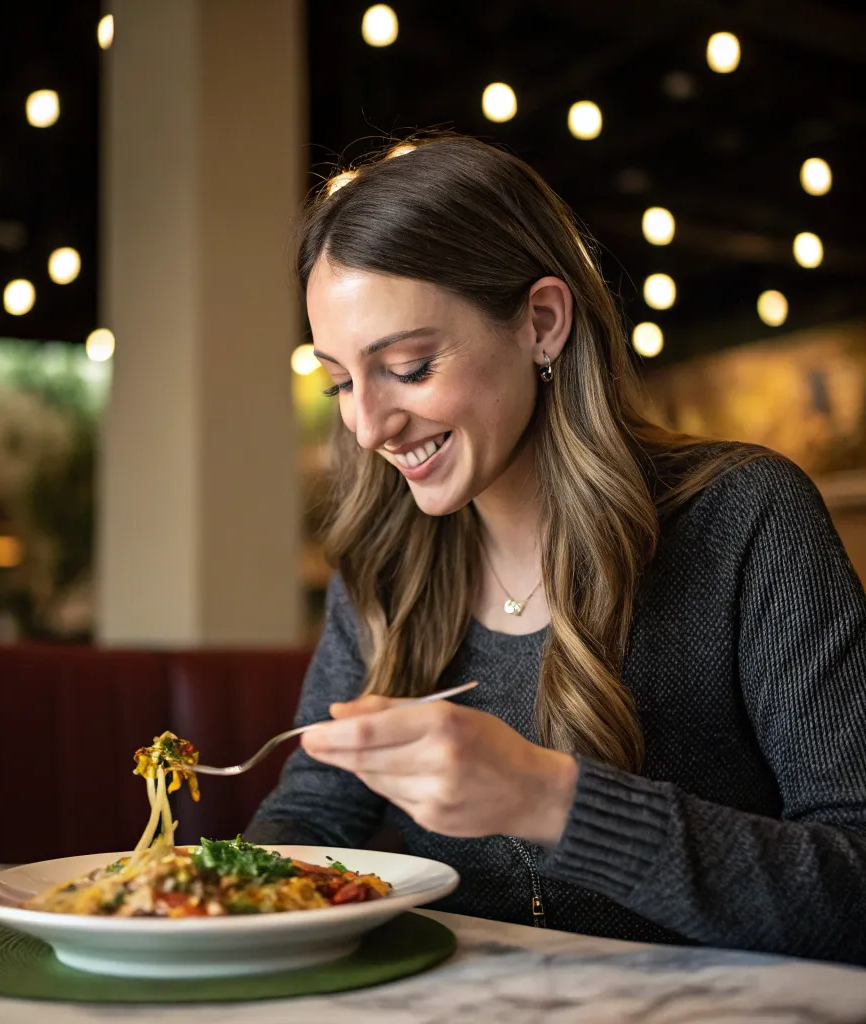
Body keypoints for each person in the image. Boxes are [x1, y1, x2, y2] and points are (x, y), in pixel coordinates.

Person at [245, 134, 866, 965]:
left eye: (410, 365)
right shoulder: (385, 560)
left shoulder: (745, 520)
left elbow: (855, 888)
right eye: (342, 382)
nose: (367, 426)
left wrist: (553, 800)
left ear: (542, 322)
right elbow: (315, 819)